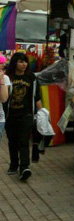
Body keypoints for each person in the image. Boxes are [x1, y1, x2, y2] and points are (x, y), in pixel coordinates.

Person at [5, 52, 42, 181]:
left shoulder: (31, 78)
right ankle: (14, 164)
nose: (24, 64)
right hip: (10, 115)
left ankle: (24, 167)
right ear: (15, 63)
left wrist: (41, 112)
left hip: (26, 114)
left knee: (23, 141)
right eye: (21, 62)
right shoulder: (8, 77)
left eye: (25, 61)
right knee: (12, 141)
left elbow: (36, 97)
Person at [0, 54, 11, 151]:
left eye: (3, 63)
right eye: (0, 63)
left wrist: (1, 80)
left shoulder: (5, 78)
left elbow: (4, 99)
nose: (3, 65)